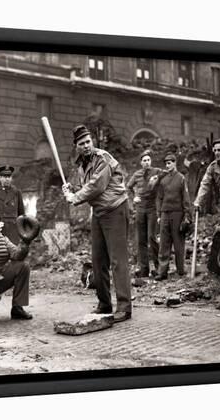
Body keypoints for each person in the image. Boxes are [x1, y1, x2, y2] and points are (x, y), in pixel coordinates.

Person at [62, 124, 132, 323]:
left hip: (115, 209)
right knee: (98, 260)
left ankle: (125, 307)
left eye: (88, 142)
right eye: (81, 143)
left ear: (92, 142)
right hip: (99, 212)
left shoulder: (102, 158)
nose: (85, 146)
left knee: (118, 260)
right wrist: (71, 188)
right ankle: (104, 304)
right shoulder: (82, 163)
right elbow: (85, 185)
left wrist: (74, 197)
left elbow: (96, 186)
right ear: (76, 146)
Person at [154, 153, 191, 281]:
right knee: (164, 243)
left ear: (175, 163)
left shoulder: (181, 178)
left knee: (178, 242)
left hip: (177, 213)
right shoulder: (163, 181)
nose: (167, 165)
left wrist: (187, 215)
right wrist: (159, 214)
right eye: (166, 163)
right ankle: (162, 272)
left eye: (170, 163)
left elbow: (186, 198)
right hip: (165, 213)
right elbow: (159, 198)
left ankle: (180, 270)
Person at [126, 149, 163, 277]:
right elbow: (128, 187)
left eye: (148, 160)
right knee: (141, 239)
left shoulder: (157, 171)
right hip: (140, 208)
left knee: (151, 237)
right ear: (141, 163)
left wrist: (157, 178)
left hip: (152, 207)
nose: (147, 162)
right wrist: (134, 198)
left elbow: (166, 175)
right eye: (144, 161)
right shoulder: (137, 174)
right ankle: (144, 269)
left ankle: (159, 268)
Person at [0, 165, 25, 243]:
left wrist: (21, 230)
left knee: (14, 251)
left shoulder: (16, 192)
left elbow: (21, 213)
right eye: (5, 176)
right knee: (0, 251)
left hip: (13, 229)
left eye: (9, 177)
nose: (7, 179)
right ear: (0, 178)